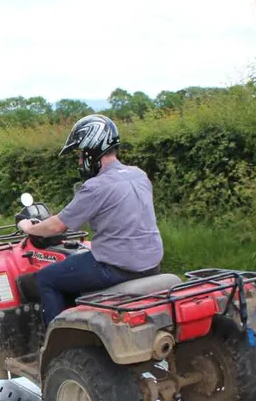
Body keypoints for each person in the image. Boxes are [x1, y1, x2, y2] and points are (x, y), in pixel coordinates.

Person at [16, 114, 164, 325]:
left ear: (91, 150)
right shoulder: (139, 175)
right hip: (151, 263)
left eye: (79, 154)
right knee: (73, 266)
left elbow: (57, 225)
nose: (79, 160)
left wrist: (29, 228)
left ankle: (56, 344)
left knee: (46, 278)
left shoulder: (97, 186)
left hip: (116, 268)